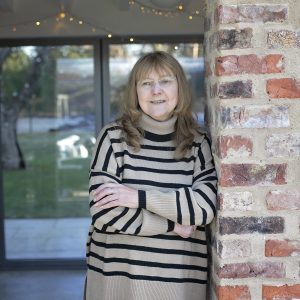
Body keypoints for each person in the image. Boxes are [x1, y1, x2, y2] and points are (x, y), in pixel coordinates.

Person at [85, 51, 217, 300]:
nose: (156, 90)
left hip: (178, 283)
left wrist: (138, 198)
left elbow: (204, 208)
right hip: (117, 279)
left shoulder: (198, 143)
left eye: (165, 81)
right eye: (146, 83)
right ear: (135, 92)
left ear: (180, 87)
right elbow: (103, 209)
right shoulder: (114, 138)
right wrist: (173, 224)